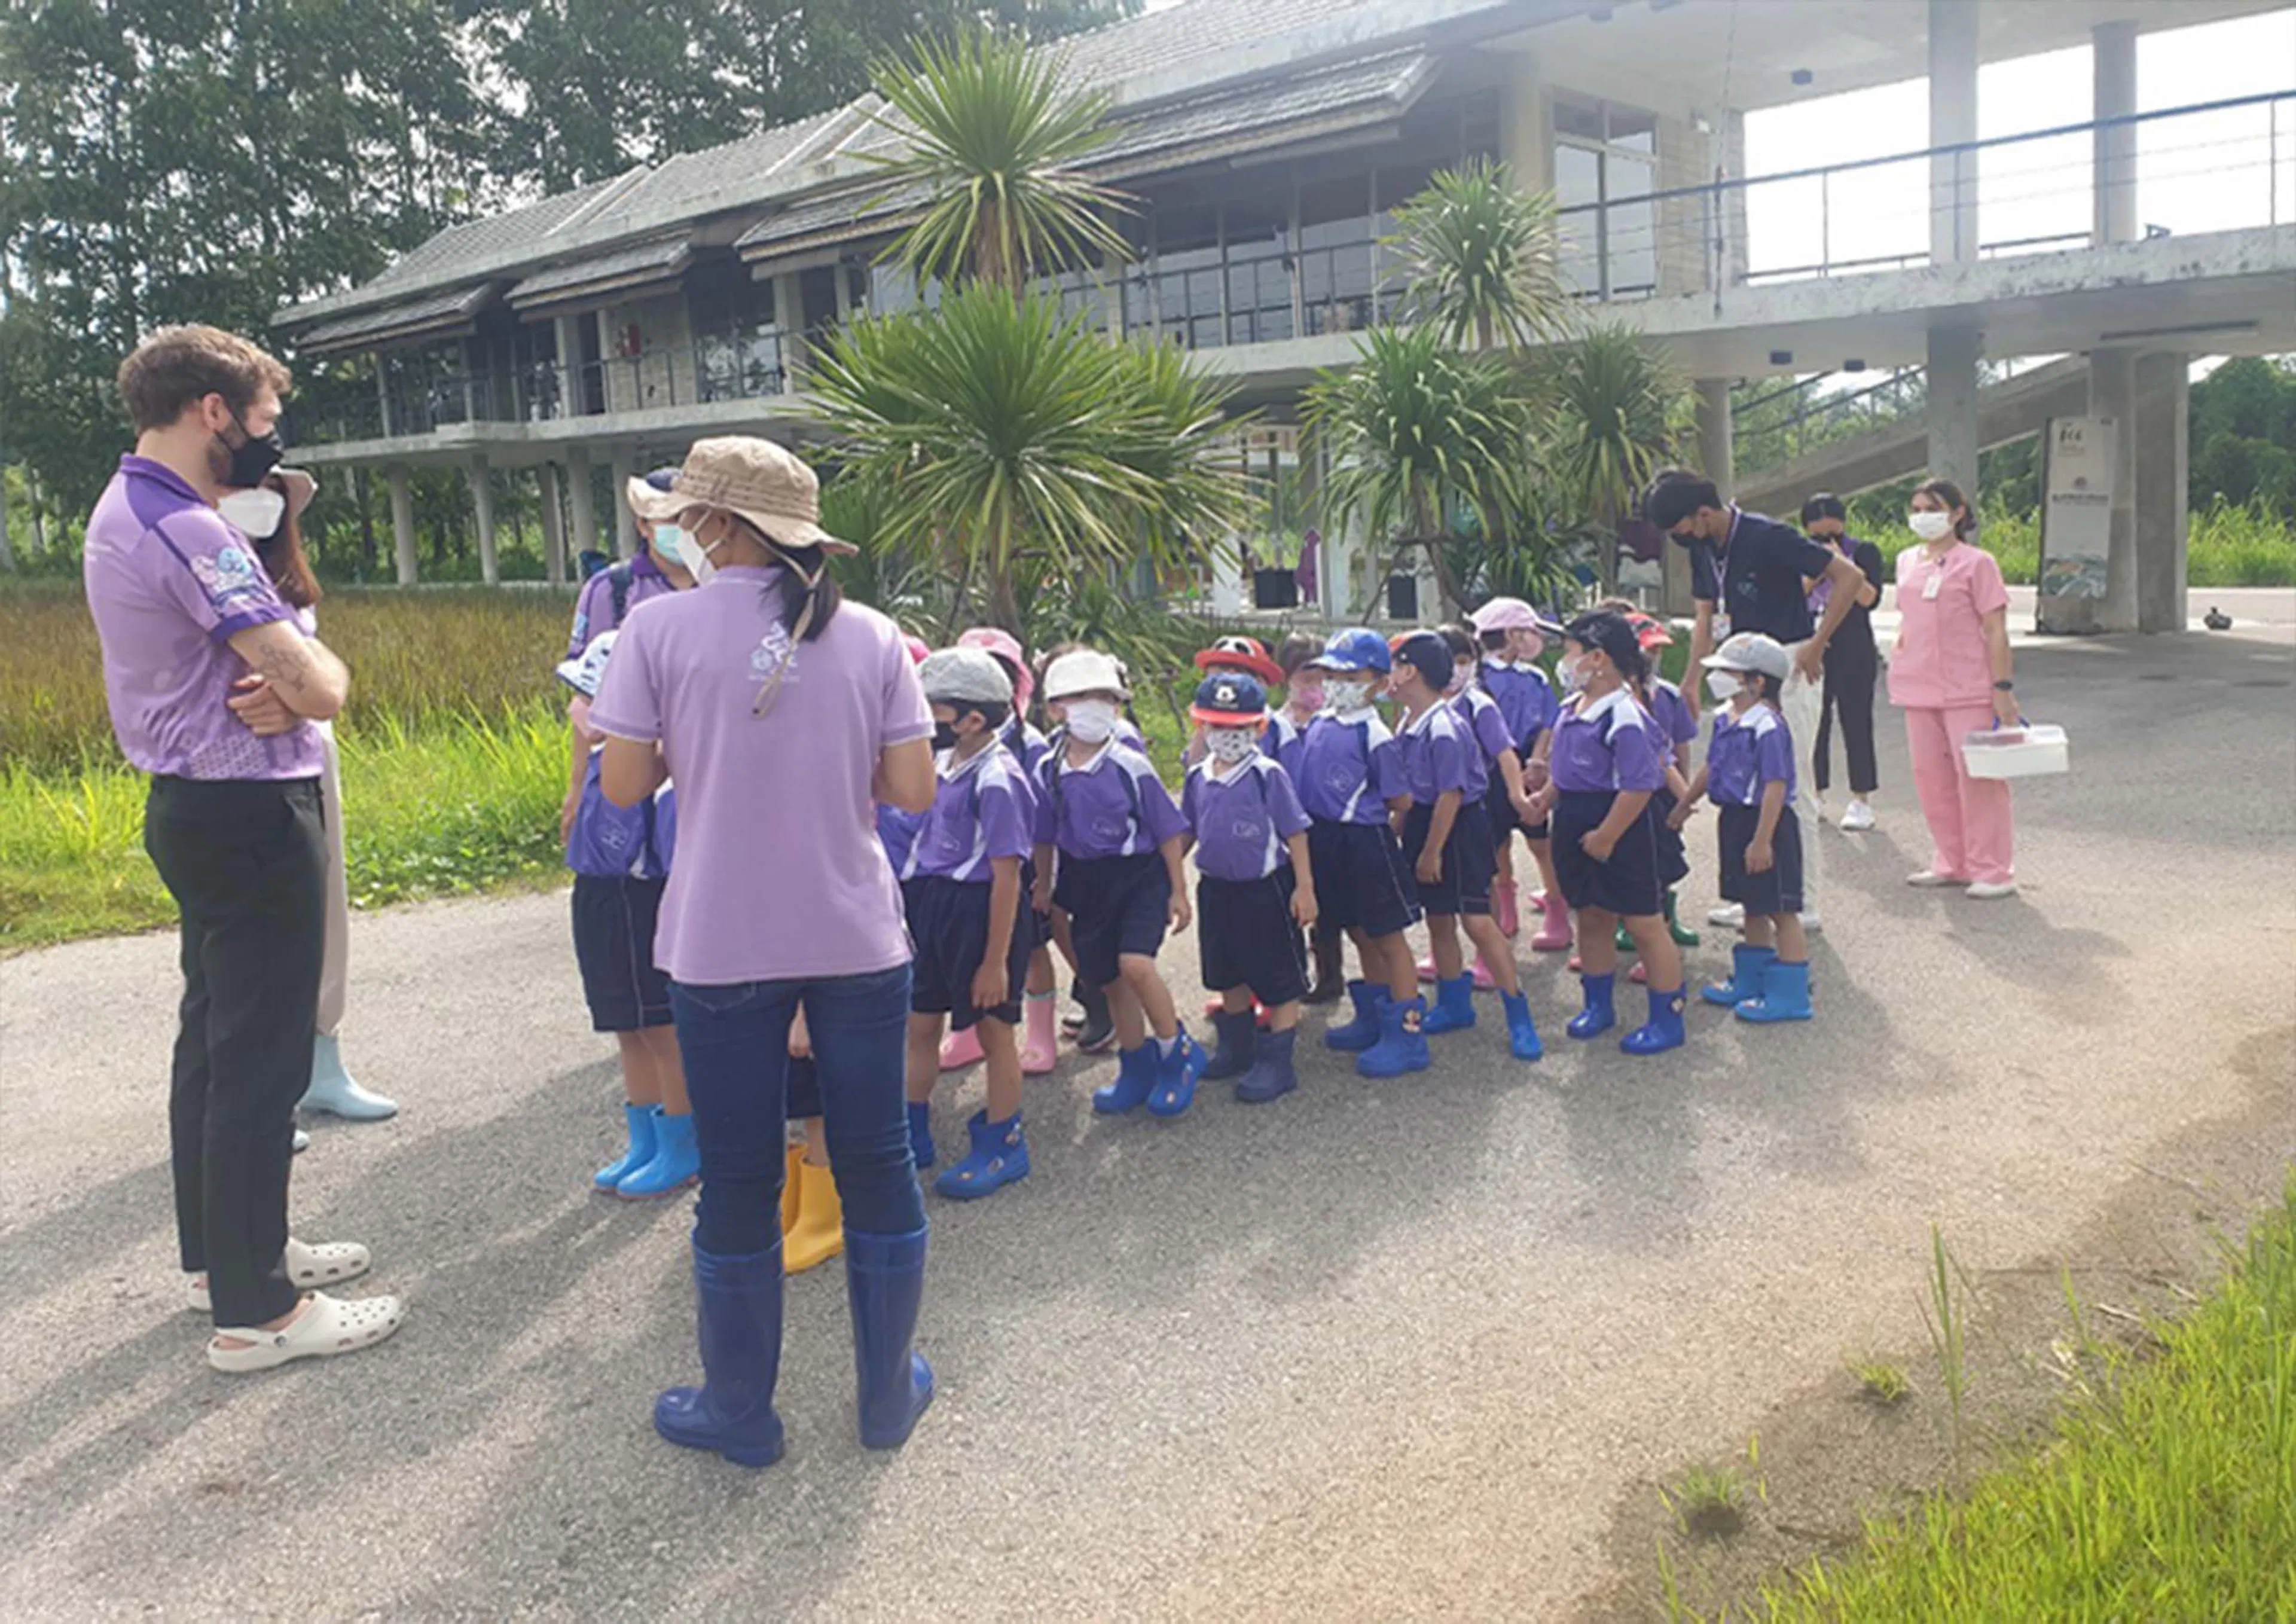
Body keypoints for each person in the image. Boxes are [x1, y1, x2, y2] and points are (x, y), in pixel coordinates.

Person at [596, 434, 938, 1469]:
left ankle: (740, 1408)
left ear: (717, 525)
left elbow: (621, 789)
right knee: (877, 1157)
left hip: (720, 942)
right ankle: (885, 1396)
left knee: (739, 1176)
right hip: (856, 936)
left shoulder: (654, 629)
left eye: (687, 515)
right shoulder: (874, 634)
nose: (679, 530)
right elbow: (915, 791)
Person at [84, 324, 402, 1372]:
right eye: (264, 421)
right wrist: (320, 676)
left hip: (191, 804)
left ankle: (226, 1258)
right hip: (249, 809)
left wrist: (295, 677)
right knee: (260, 1059)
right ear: (213, 411)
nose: (270, 443)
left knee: (214, 1044)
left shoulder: (124, 504)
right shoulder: (194, 531)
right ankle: (259, 1312)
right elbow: (317, 686)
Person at [215, 467, 401, 1130]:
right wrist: (296, 695)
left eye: (272, 491)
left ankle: (323, 1064)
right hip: (237, 774)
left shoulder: (284, 584)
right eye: (246, 488)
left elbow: (325, 671)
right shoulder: (199, 569)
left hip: (308, 757)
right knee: (257, 930)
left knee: (324, 909)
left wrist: (301, 701)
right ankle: (265, 1088)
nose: (262, 503)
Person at [560, 472, 701, 1201]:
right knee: (623, 1004)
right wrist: (574, 789)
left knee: (663, 1002)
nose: (665, 530)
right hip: (613, 818)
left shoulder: (722, 589)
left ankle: (684, 1134)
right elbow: (584, 706)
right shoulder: (611, 592)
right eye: (654, 518)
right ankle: (648, 1133)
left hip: (679, 822)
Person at [1646, 469, 1867, 932]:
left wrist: (1816, 643)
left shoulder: (1769, 537)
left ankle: (1802, 898)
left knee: (1791, 784)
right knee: (1742, 784)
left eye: (1680, 528)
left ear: (1702, 513)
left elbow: (1848, 577)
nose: (1679, 539)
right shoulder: (1705, 550)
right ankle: (1756, 897)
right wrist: (1691, 680)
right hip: (1734, 672)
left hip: (1786, 664)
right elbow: (1706, 617)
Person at [1028, 648, 1206, 1117]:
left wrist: (1178, 890)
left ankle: (1176, 1053)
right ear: (1054, 708)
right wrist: (1044, 885)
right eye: (1081, 696)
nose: (1094, 705)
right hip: (1086, 881)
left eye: (1105, 697)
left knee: (1136, 965)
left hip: (1138, 875)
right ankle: (1135, 1067)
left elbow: (1168, 830)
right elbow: (1043, 835)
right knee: (1107, 978)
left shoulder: (1131, 765)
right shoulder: (1048, 769)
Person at [902, 648, 1036, 1197]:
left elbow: (1008, 877)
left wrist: (994, 962)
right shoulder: (941, 763)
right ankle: (911, 1130)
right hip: (934, 904)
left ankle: (1004, 1143)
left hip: (982, 913)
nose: (925, 719)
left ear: (972, 719)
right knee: (920, 1021)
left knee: (993, 1028)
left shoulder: (999, 779)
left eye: (934, 709)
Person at [1525, 611, 1687, 1056]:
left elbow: (1639, 784)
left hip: (1620, 824)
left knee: (1643, 923)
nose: (1564, 661)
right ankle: (1599, 1006)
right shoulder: (1570, 709)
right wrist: (1549, 798)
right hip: (1575, 820)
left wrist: (1609, 836)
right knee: (1591, 916)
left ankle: (1667, 1019)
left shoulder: (1625, 716)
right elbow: (1571, 767)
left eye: (1571, 652)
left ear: (1598, 658)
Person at [1390, 633, 1543, 1061]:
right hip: (1427, 822)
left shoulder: (1444, 724)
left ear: (1410, 672)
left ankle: (1518, 1011)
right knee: (1438, 919)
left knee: (1476, 920)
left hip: (1457, 828)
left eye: (1394, 666)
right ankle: (1454, 1004)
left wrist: (1431, 851)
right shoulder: (1408, 722)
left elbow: (1451, 794)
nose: (1388, 678)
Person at [1179, 671, 1317, 1104]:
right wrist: (1169, 879)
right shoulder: (1199, 776)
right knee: (1226, 969)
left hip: (1265, 889)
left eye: (1239, 728)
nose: (1227, 736)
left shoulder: (1266, 774)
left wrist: (1305, 888)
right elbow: (1188, 830)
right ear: (1202, 726)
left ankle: (1278, 1061)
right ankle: (1237, 1047)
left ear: (1258, 727)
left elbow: (1296, 832)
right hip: (1217, 889)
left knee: (1278, 975)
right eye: (1217, 726)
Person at [1295, 628, 1428, 1077]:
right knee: (1355, 929)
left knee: (1388, 936)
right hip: (1326, 839)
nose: (1336, 682)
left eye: (1350, 675)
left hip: (1365, 841)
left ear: (1377, 681)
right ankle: (1372, 1015)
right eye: (1330, 673)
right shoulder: (1319, 722)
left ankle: (1407, 1033)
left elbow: (1400, 799)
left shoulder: (1375, 734)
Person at [1888, 478, 2023, 899]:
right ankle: (1952, 860)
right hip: (1917, 684)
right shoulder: (1908, 560)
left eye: (1932, 507)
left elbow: (1995, 629)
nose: (1923, 516)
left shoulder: (1977, 563)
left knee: (1979, 778)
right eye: (1917, 508)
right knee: (1931, 776)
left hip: (1968, 686)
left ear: (1958, 512)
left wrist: (2002, 687)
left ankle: (1993, 868)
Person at [1675, 634, 1813, 1021]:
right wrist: (1686, 803)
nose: (1717, 678)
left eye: (1728, 672)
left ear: (1758, 682)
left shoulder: (1768, 726)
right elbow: (1712, 766)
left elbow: (1775, 785)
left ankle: (1792, 995)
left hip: (1766, 824)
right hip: (1734, 820)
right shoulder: (1725, 718)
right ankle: (1752, 980)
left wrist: (1762, 841)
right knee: (1752, 903)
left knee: (1781, 910)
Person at [941, 627, 1059, 1077]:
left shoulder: (1028, 745)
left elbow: (1044, 818)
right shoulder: (949, 740)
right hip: (965, 872)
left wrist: (1044, 879)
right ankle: (967, 1031)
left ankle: (1040, 1033)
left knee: (1030, 949)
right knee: (964, 953)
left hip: (1019, 867)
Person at [1470, 598, 1570, 954]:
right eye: (1530, 631)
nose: (1536, 639)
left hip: (1531, 766)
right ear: (1512, 635)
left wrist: (1539, 760)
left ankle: (1557, 911)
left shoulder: (1536, 678)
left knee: (1541, 842)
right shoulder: (1479, 678)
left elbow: (1548, 722)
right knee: (1498, 846)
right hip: (1491, 772)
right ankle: (1506, 906)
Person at [1800, 493, 1885, 832]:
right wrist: (1818, 571)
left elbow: (1869, 598)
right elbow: (1795, 596)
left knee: (1856, 720)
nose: (1827, 543)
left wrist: (1843, 566)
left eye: (1833, 536)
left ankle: (1861, 798)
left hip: (1853, 645)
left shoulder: (1864, 552)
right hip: (1812, 644)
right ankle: (1816, 792)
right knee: (1814, 722)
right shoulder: (1797, 553)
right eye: (1819, 538)